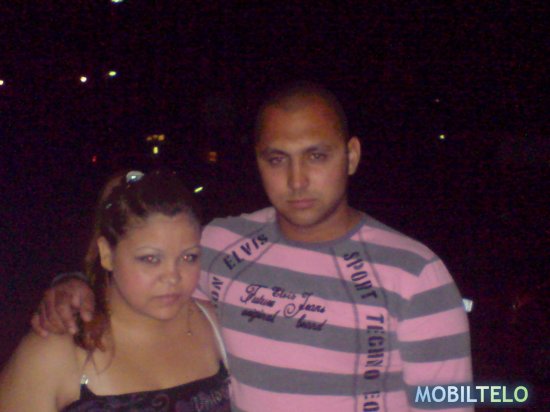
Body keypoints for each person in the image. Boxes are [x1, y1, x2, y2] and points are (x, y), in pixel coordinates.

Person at [31, 83, 473, 411]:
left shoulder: (415, 273)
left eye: (317, 156)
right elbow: (141, 268)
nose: (297, 180)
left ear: (351, 156)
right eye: (277, 159)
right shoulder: (219, 245)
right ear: (258, 161)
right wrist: (74, 283)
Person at [1, 170, 231, 411]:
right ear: (107, 254)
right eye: (150, 259)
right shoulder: (56, 351)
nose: (173, 277)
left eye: (188, 257)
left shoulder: (219, 326)